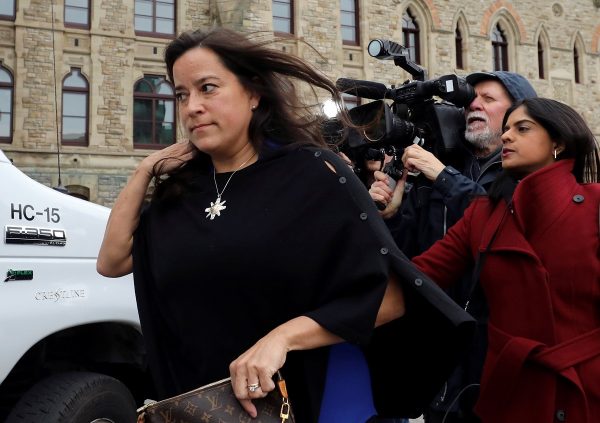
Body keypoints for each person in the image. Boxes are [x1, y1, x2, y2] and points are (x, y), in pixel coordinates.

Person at [96, 28, 473, 422]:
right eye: (181, 94)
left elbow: (388, 298)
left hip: (293, 402)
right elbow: (112, 261)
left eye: (208, 88)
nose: (191, 106)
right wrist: (144, 171)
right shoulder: (182, 190)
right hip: (193, 405)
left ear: (254, 94)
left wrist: (282, 338)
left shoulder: (313, 176)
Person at [411, 97, 600, 422]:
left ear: (558, 141)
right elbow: (417, 278)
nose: (507, 136)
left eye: (522, 128)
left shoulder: (596, 204)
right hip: (511, 393)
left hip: (588, 392)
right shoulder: (482, 214)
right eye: (507, 128)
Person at [369, 71, 537, 423]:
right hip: (436, 357)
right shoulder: (434, 172)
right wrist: (391, 215)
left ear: (518, 116)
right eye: (469, 99)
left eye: (488, 99)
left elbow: (505, 224)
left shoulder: (527, 175)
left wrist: (444, 176)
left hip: (495, 357)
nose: (473, 105)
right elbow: (410, 261)